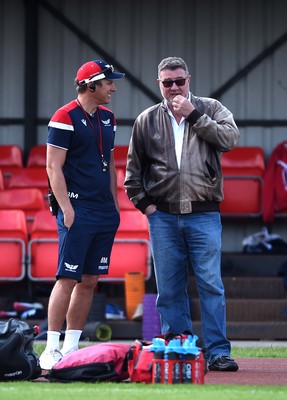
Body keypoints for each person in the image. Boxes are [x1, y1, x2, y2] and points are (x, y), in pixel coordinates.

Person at [124, 56, 240, 372]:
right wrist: (146, 206)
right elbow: (132, 173)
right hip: (162, 216)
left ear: (189, 79)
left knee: (211, 284)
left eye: (179, 81)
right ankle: (180, 348)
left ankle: (218, 352)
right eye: (167, 83)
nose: (174, 87)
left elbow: (230, 140)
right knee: (170, 288)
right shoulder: (146, 120)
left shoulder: (211, 108)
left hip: (204, 213)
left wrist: (195, 115)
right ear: (158, 84)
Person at [39, 60, 125, 370]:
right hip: (78, 209)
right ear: (91, 85)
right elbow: (53, 166)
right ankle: (50, 348)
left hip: (103, 211)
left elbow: (111, 164)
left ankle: (72, 347)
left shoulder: (109, 118)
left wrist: (115, 205)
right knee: (67, 277)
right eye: (108, 83)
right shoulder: (64, 117)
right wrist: (67, 209)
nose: (113, 88)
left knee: (90, 280)